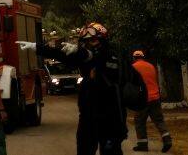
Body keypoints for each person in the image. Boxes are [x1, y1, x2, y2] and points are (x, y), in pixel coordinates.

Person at [18, 22, 130, 155]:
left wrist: (82, 52)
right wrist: (37, 47)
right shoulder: (85, 57)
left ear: (103, 40)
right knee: (84, 150)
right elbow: (60, 54)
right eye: (86, 41)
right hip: (88, 119)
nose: (89, 44)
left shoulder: (114, 58)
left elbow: (98, 59)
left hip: (111, 119)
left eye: (93, 40)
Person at [131, 50, 171, 153]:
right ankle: (167, 140)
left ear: (134, 58)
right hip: (155, 98)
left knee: (139, 122)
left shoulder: (133, 67)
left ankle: (142, 145)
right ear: (143, 57)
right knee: (159, 120)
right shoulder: (151, 66)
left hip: (142, 99)